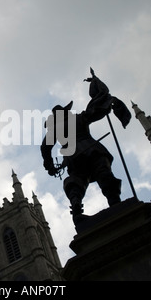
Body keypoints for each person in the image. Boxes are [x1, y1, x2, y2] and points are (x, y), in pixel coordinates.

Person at [40, 69, 131, 224]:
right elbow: (96, 112)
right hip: (91, 148)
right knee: (103, 172)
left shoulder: (55, 129)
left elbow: (45, 148)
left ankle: (76, 210)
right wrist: (106, 100)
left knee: (77, 181)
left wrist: (49, 166)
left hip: (73, 156)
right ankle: (114, 201)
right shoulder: (79, 118)